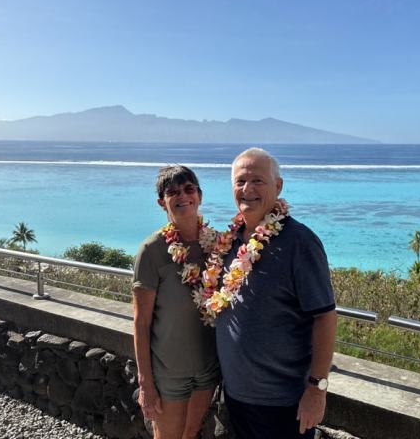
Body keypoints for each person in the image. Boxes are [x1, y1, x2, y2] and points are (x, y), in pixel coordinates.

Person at [215, 148, 337, 439]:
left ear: (278, 186)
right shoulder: (227, 243)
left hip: (284, 403)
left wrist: (316, 389)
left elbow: (325, 317)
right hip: (236, 396)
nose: (248, 189)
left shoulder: (300, 243)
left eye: (258, 180)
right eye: (240, 181)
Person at [132, 165, 220, 439]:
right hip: (168, 373)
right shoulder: (152, 251)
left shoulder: (217, 244)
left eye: (189, 189)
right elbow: (141, 322)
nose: (183, 196)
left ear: (200, 196)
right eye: (173, 192)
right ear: (162, 202)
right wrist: (146, 384)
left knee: (191, 432)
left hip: (207, 367)